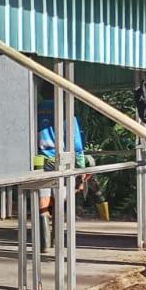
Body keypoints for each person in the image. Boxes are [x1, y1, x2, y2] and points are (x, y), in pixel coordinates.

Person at [35, 99, 110, 237]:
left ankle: (43, 242)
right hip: (62, 161)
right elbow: (77, 145)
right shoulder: (66, 113)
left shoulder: (34, 110)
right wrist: (80, 169)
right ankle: (55, 237)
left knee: (43, 199)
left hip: (40, 160)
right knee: (59, 199)